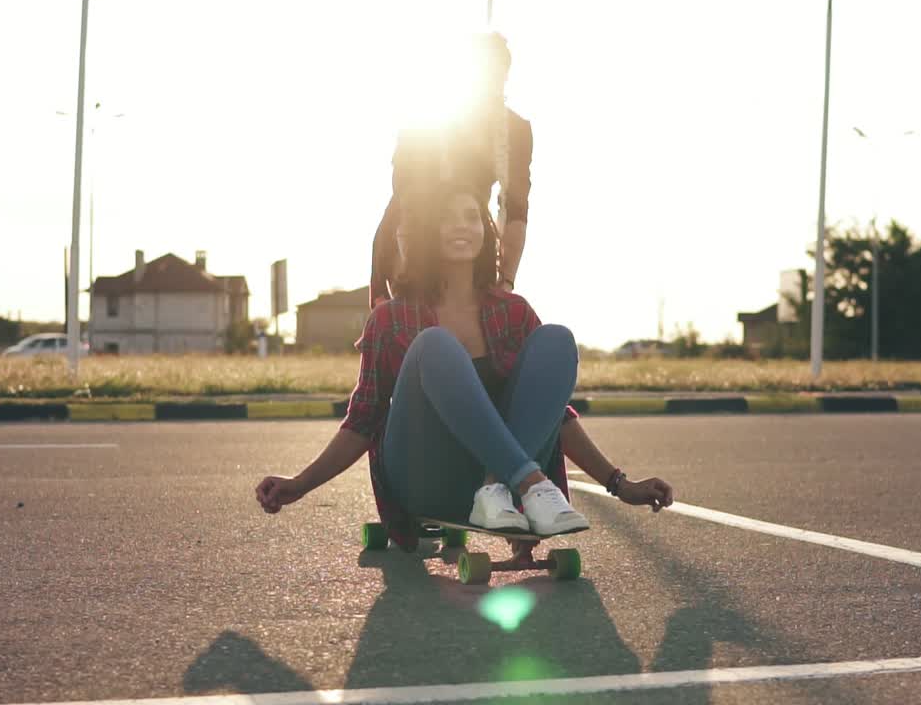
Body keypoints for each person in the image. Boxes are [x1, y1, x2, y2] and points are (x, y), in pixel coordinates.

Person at [257, 181, 674, 548]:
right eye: (446, 218)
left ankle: (496, 486)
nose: (462, 225)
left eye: (472, 216)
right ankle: (527, 484)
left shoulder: (513, 313)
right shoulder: (391, 318)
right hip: (425, 477)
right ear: (426, 232)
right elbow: (362, 421)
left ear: (484, 231)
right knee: (435, 346)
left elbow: (553, 416)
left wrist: (619, 485)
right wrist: (300, 484)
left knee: (557, 340)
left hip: (497, 495)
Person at [370, 32, 533, 307]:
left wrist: (505, 283)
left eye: (495, 76)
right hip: (409, 236)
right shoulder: (423, 122)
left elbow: (516, 210)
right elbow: (406, 201)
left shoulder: (514, 130)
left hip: (468, 235)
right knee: (407, 329)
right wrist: (408, 280)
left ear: (505, 76)